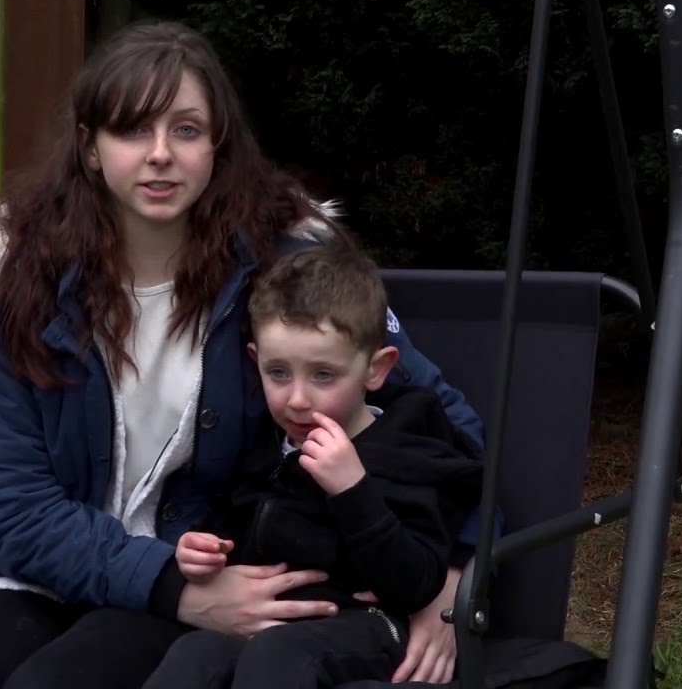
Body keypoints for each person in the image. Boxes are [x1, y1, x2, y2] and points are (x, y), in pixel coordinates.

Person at [0, 19, 484, 689]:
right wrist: (171, 589)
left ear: (217, 146)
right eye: (132, 130)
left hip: (210, 567)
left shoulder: (284, 271)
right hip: (45, 570)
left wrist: (454, 580)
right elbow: (6, 505)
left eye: (185, 129)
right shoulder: (24, 283)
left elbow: (451, 429)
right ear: (91, 148)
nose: (160, 154)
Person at [141, 245, 483, 689]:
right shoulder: (266, 448)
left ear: (376, 370)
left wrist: (354, 491)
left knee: (279, 655)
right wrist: (204, 552)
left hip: (372, 621)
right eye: (278, 373)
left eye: (323, 375)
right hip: (275, 615)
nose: (298, 399)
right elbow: (240, 528)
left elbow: (416, 584)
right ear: (255, 362)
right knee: (196, 653)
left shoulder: (407, 452)